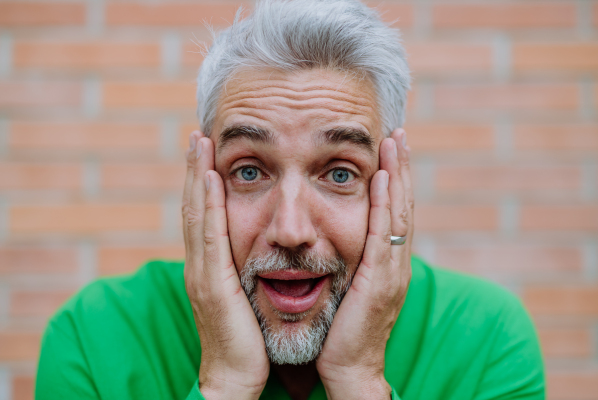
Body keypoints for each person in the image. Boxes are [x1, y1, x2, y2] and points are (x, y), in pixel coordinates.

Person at [35, 0, 545, 399]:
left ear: (390, 186)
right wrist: (225, 385)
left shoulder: (486, 337)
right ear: (202, 183)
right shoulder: (94, 334)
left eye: (340, 173)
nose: (291, 229)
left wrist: (358, 379)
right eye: (250, 171)